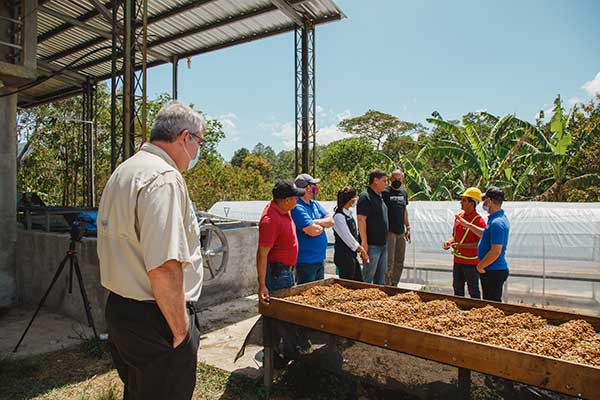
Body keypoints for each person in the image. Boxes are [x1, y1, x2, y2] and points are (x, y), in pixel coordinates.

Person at [97, 101, 205, 400]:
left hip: (121, 310)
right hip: (157, 317)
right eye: (200, 142)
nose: (197, 152)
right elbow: (164, 265)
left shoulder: (125, 171)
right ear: (185, 137)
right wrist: (181, 330)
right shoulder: (164, 179)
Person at [256, 180, 305, 306]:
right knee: (280, 310)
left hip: (286, 271)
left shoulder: (283, 209)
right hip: (277, 275)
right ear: (286, 200)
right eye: (295, 198)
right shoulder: (270, 220)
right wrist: (262, 285)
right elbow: (262, 253)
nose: (297, 201)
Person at [457, 187, 510, 302]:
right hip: (490, 269)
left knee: (492, 305)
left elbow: (495, 251)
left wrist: (480, 266)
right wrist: (468, 225)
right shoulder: (495, 220)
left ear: (490, 201)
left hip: (493, 270)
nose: (483, 203)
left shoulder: (497, 223)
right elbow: (485, 234)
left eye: (485, 200)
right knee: (489, 303)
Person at [444, 187, 486, 298]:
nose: (461, 202)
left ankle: (476, 311)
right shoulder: (459, 217)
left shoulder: (479, 221)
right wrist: (449, 242)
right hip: (458, 260)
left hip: (471, 263)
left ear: (472, 203)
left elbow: (481, 243)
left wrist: (462, 246)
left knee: (473, 290)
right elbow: (454, 235)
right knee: (457, 287)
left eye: (464, 200)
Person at [291, 174, 334, 284]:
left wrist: (314, 222)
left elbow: (331, 221)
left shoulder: (314, 204)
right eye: (313, 185)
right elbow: (313, 231)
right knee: (306, 294)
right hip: (306, 261)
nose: (316, 187)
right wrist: (322, 224)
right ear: (306, 188)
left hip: (319, 259)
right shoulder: (296, 207)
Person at [357, 169, 389, 285]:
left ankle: (377, 301)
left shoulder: (379, 196)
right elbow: (361, 220)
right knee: (367, 276)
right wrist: (364, 242)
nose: (386, 184)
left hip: (383, 244)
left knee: (380, 278)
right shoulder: (365, 196)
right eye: (384, 181)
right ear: (375, 180)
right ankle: (361, 300)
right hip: (372, 245)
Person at [333, 187, 369, 281]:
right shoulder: (339, 216)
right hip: (343, 256)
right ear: (350, 200)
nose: (356, 199)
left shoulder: (348, 214)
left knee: (358, 280)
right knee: (348, 283)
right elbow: (348, 238)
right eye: (355, 197)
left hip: (351, 255)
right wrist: (361, 250)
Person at [382, 169, 411, 286]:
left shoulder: (404, 193)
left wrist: (408, 227)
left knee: (399, 260)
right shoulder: (385, 192)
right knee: (389, 260)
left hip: (401, 232)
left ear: (402, 180)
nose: (397, 181)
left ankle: (395, 284)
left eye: (399, 179)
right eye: (395, 179)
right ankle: (386, 284)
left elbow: (404, 210)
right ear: (390, 179)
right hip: (389, 232)